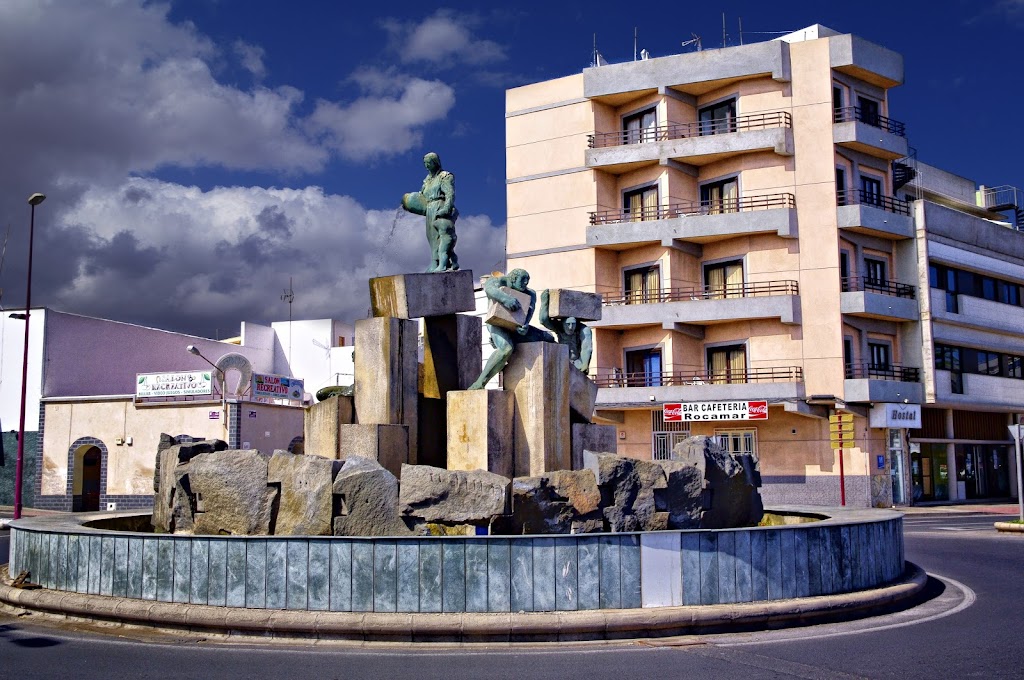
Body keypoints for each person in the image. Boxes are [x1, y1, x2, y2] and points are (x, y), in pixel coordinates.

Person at [469, 269, 554, 389]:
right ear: (513, 278)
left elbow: (529, 312)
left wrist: (525, 326)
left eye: (527, 280)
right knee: (506, 348)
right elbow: (489, 289)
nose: (526, 283)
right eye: (523, 279)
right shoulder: (498, 281)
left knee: (548, 338)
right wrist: (506, 299)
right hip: (496, 324)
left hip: (516, 326)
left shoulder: (531, 293)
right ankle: (479, 383)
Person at [401, 152, 460, 272]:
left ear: (435, 162)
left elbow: (450, 194)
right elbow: (423, 195)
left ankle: (441, 264)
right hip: (429, 208)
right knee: (431, 237)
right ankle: (435, 262)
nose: (426, 166)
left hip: (439, 206)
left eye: (429, 163)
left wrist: (446, 209)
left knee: (440, 236)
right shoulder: (427, 180)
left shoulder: (444, 176)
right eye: (425, 163)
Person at [539, 289, 593, 372]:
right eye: (568, 324)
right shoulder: (559, 327)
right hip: (561, 361)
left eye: (573, 324)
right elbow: (543, 320)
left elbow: (587, 347)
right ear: (563, 324)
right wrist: (544, 301)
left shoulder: (584, 330)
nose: (571, 327)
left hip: (577, 362)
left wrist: (585, 364)